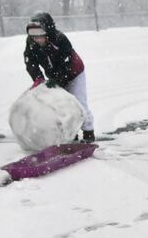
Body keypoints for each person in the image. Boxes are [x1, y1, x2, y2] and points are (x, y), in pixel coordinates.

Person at [24, 11, 95, 142]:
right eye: (33, 35)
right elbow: (30, 62)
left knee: (78, 104)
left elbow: (67, 64)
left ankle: (88, 132)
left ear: (48, 30)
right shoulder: (31, 42)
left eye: (40, 35)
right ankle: (71, 135)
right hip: (54, 77)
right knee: (61, 107)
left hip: (74, 73)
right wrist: (38, 78)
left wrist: (56, 81)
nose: (37, 39)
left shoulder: (60, 39)